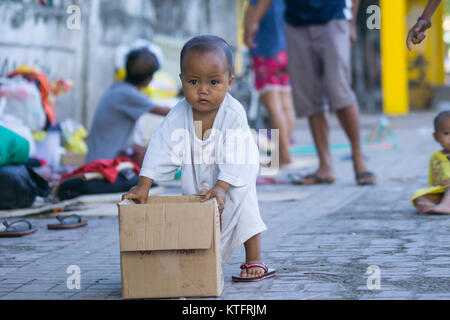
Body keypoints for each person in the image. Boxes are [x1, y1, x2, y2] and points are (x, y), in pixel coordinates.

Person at [122, 35, 276, 282]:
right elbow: (161, 146)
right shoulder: (178, 113)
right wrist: (144, 186)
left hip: (234, 177)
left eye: (214, 82)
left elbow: (238, 154)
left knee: (245, 211)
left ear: (229, 83)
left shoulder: (234, 114)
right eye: (194, 81)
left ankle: (253, 258)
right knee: (196, 218)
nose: (203, 90)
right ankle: (199, 260)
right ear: (182, 80)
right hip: (198, 175)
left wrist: (223, 186)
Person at [245, 0, 376, 185]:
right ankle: (325, 166)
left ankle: (358, 158)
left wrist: (351, 24)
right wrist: (254, 21)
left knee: (340, 92)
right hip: (296, 25)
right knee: (310, 97)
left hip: (333, 19)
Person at [85, 47, 170, 166]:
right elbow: (167, 112)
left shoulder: (118, 89)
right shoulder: (129, 94)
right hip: (103, 168)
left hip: (100, 161)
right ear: (149, 79)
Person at [244, 0, 295, 166]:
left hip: (266, 50)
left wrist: (249, 29)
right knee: (285, 104)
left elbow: (252, 9)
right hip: (284, 49)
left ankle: (283, 155)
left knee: (273, 106)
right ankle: (283, 153)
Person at [412, 111, 450, 215]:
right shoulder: (435, 156)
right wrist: (441, 183)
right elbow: (434, 181)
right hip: (443, 191)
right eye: (447, 133)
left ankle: (445, 207)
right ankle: (433, 206)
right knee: (418, 196)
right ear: (436, 136)